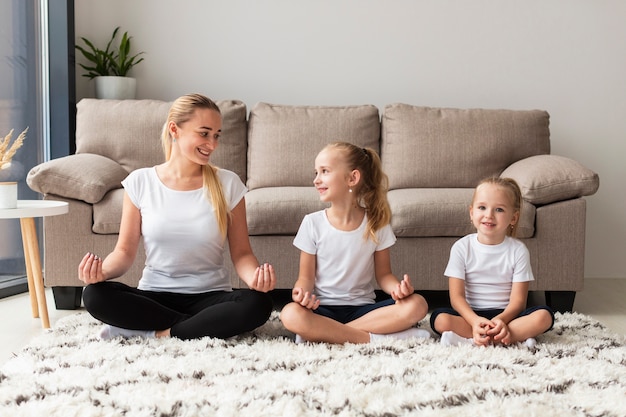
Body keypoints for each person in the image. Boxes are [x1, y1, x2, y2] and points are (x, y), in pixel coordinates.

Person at [78, 93, 276, 340]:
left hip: (210, 297)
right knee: (94, 295)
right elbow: (124, 252)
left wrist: (255, 278)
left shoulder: (229, 183)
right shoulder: (141, 182)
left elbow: (242, 253)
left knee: (258, 304)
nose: (212, 144)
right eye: (204, 133)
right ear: (175, 129)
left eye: (216, 135)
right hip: (155, 295)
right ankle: (200, 327)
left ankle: (156, 333)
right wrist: (101, 273)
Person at [279, 142, 430, 344]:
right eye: (316, 172)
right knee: (290, 313)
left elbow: (384, 275)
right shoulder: (312, 223)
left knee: (417, 304)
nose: (316, 180)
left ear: (352, 178)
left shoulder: (376, 223)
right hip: (322, 308)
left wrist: (397, 289)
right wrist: (301, 293)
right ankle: (374, 338)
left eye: (324, 171)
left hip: (363, 310)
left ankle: (322, 334)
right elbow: (305, 278)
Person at [430, 177, 554, 348]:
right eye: (482, 207)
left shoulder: (518, 250)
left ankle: (484, 337)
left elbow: (518, 302)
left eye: (499, 209)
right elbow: (456, 298)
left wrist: (500, 320)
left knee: (544, 316)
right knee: (440, 320)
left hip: (507, 316)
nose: (489, 215)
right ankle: (507, 337)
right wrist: (474, 321)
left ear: (513, 218)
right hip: (471, 316)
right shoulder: (461, 247)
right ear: (472, 212)